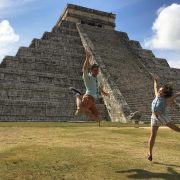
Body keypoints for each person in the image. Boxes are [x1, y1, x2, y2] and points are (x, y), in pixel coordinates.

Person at [70, 48, 109, 126]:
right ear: (91, 71)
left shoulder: (97, 79)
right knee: (80, 110)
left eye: (97, 70)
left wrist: (104, 93)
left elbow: (99, 87)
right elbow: (84, 68)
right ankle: (77, 95)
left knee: (98, 119)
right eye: (95, 70)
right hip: (88, 97)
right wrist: (87, 58)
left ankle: (84, 108)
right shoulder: (87, 77)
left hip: (93, 101)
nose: (96, 72)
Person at [148, 74, 180, 161]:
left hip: (163, 117)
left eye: (161, 90)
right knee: (153, 135)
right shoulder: (156, 96)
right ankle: (150, 154)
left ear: (164, 93)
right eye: (159, 90)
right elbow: (155, 87)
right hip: (154, 118)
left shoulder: (167, 100)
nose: (159, 90)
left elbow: (177, 94)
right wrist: (156, 81)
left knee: (177, 129)